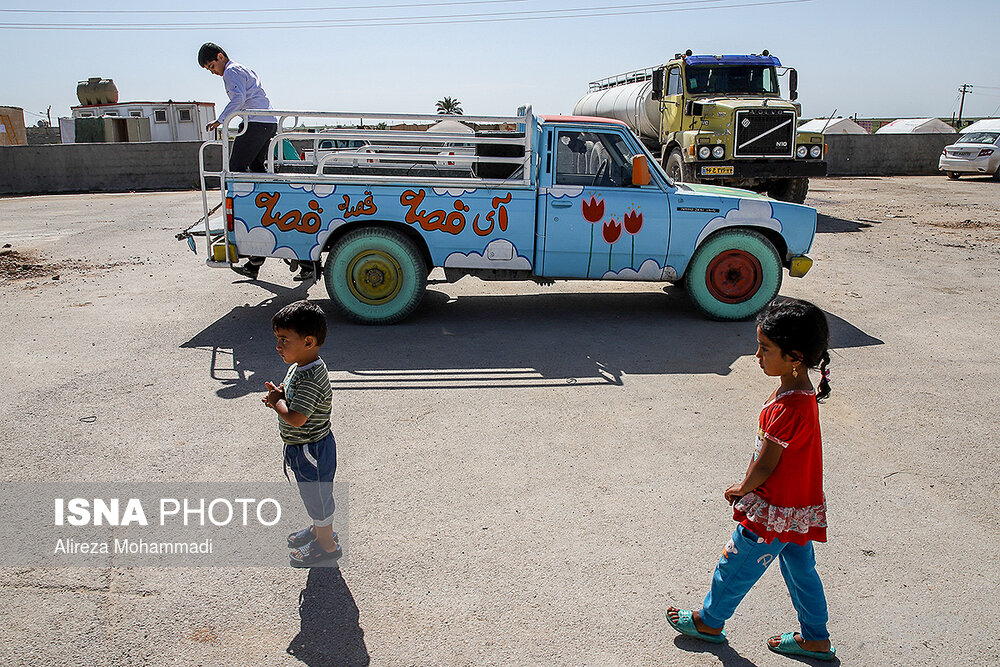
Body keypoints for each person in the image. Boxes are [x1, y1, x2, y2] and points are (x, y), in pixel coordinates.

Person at [665, 298, 836, 662]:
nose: (756, 355)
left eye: (764, 348)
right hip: (796, 507)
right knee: (802, 573)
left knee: (736, 562)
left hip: (774, 507)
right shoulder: (797, 391)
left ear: (795, 357)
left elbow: (766, 464)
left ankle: (709, 622)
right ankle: (816, 639)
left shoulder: (790, 406)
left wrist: (743, 488)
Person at [198, 42, 315, 282]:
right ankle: (256, 259)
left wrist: (221, 120)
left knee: (236, 172)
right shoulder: (243, 69)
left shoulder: (231, 71)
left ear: (220, 57)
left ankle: (253, 225)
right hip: (264, 122)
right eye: (209, 70)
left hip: (256, 123)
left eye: (212, 66)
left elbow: (239, 99)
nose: (213, 72)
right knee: (256, 174)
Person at [262, 300, 340, 567]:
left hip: (311, 449)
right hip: (305, 447)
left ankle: (326, 546)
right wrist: (282, 394)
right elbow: (293, 397)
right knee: (313, 496)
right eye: (277, 338)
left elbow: (296, 419)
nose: (278, 346)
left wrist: (276, 403)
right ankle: (319, 529)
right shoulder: (301, 365)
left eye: (284, 339)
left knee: (317, 498)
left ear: (308, 342)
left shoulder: (311, 377)